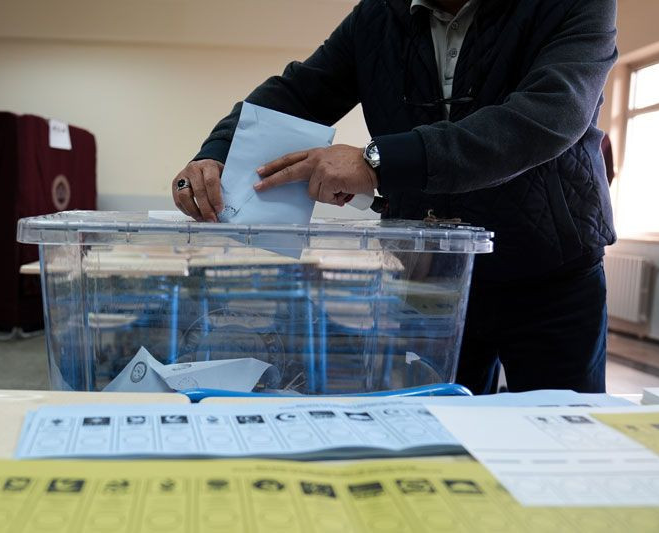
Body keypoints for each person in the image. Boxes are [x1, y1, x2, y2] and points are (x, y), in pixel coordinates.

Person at [171, 0, 618, 394]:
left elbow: (550, 113)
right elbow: (298, 92)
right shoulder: (379, 15)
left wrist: (377, 162)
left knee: (561, 436)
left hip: (551, 270)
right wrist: (217, 155)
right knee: (434, 434)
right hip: (430, 275)